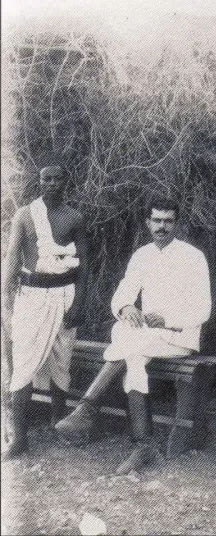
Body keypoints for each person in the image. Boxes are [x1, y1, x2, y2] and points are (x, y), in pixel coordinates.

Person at [55, 198, 212, 473]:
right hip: (146, 338)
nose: (162, 226)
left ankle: (87, 407)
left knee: (131, 342)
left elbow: (203, 309)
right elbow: (123, 293)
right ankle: (144, 445)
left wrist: (168, 319)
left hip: (179, 335)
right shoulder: (142, 255)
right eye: (157, 220)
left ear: (176, 224)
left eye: (168, 221)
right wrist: (126, 307)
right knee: (131, 347)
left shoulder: (193, 257)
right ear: (148, 223)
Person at [1, 155, 88, 460]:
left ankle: (58, 424)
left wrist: (78, 302)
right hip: (32, 296)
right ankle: (20, 438)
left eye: (57, 178)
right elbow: (12, 258)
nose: (52, 184)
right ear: (39, 182)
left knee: (61, 363)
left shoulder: (75, 218)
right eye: (46, 178)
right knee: (23, 364)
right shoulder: (25, 215)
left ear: (66, 182)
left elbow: (83, 265)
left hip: (64, 293)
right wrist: (5, 299)